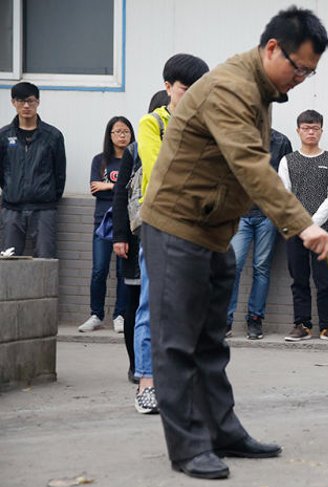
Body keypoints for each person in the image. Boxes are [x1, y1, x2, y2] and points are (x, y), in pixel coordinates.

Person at [140, 7, 328, 480]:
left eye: (310, 71)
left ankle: (222, 431)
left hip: (214, 230)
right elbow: (249, 164)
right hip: (177, 226)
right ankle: (187, 447)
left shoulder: (263, 90)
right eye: (298, 67)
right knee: (177, 343)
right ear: (272, 49)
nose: (302, 78)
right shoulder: (231, 87)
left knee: (210, 340)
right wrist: (301, 223)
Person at [121, 54, 210, 414]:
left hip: (196, 227)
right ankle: (146, 382)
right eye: (186, 90)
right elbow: (160, 169)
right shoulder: (150, 123)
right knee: (151, 305)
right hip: (160, 224)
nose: (191, 98)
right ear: (168, 87)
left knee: (189, 308)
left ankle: (179, 381)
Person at [113, 91, 170, 384]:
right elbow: (121, 193)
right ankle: (136, 364)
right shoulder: (135, 150)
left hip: (163, 231)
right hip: (136, 235)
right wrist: (120, 236)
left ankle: (155, 364)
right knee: (135, 302)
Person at [280, 110, 328, 343]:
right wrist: (300, 225)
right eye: (306, 128)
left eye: (315, 128)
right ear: (298, 131)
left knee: (325, 280)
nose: (310, 132)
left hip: (323, 231)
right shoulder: (288, 160)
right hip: (294, 231)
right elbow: (283, 194)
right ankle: (302, 325)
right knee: (299, 278)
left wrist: (312, 224)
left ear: (321, 131)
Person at [226, 129, 292, 340]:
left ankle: (255, 319)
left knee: (261, 268)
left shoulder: (281, 142)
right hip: (240, 215)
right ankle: (225, 320)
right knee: (233, 265)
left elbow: (285, 180)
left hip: (267, 216)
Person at [78, 117, 134, 334]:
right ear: (109, 135)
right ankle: (96, 315)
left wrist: (109, 185)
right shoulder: (100, 160)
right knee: (99, 270)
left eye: (126, 131)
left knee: (123, 272)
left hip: (126, 222)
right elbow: (94, 187)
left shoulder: (134, 158)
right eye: (117, 131)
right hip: (102, 222)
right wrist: (118, 186)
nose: (122, 135)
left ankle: (120, 315)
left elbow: (132, 189)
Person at [0, 82, 66, 258]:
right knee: (9, 260)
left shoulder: (53, 136)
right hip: (12, 208)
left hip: (44, 208)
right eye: (21, 101)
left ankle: (45, 288)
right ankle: (10, 288)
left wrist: (49, 195)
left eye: (30, 101)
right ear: (13, 102)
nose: (26, 106)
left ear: (38, 102)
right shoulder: (4, 136)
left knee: (46, 259)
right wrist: (11, 190)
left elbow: (60, 173)